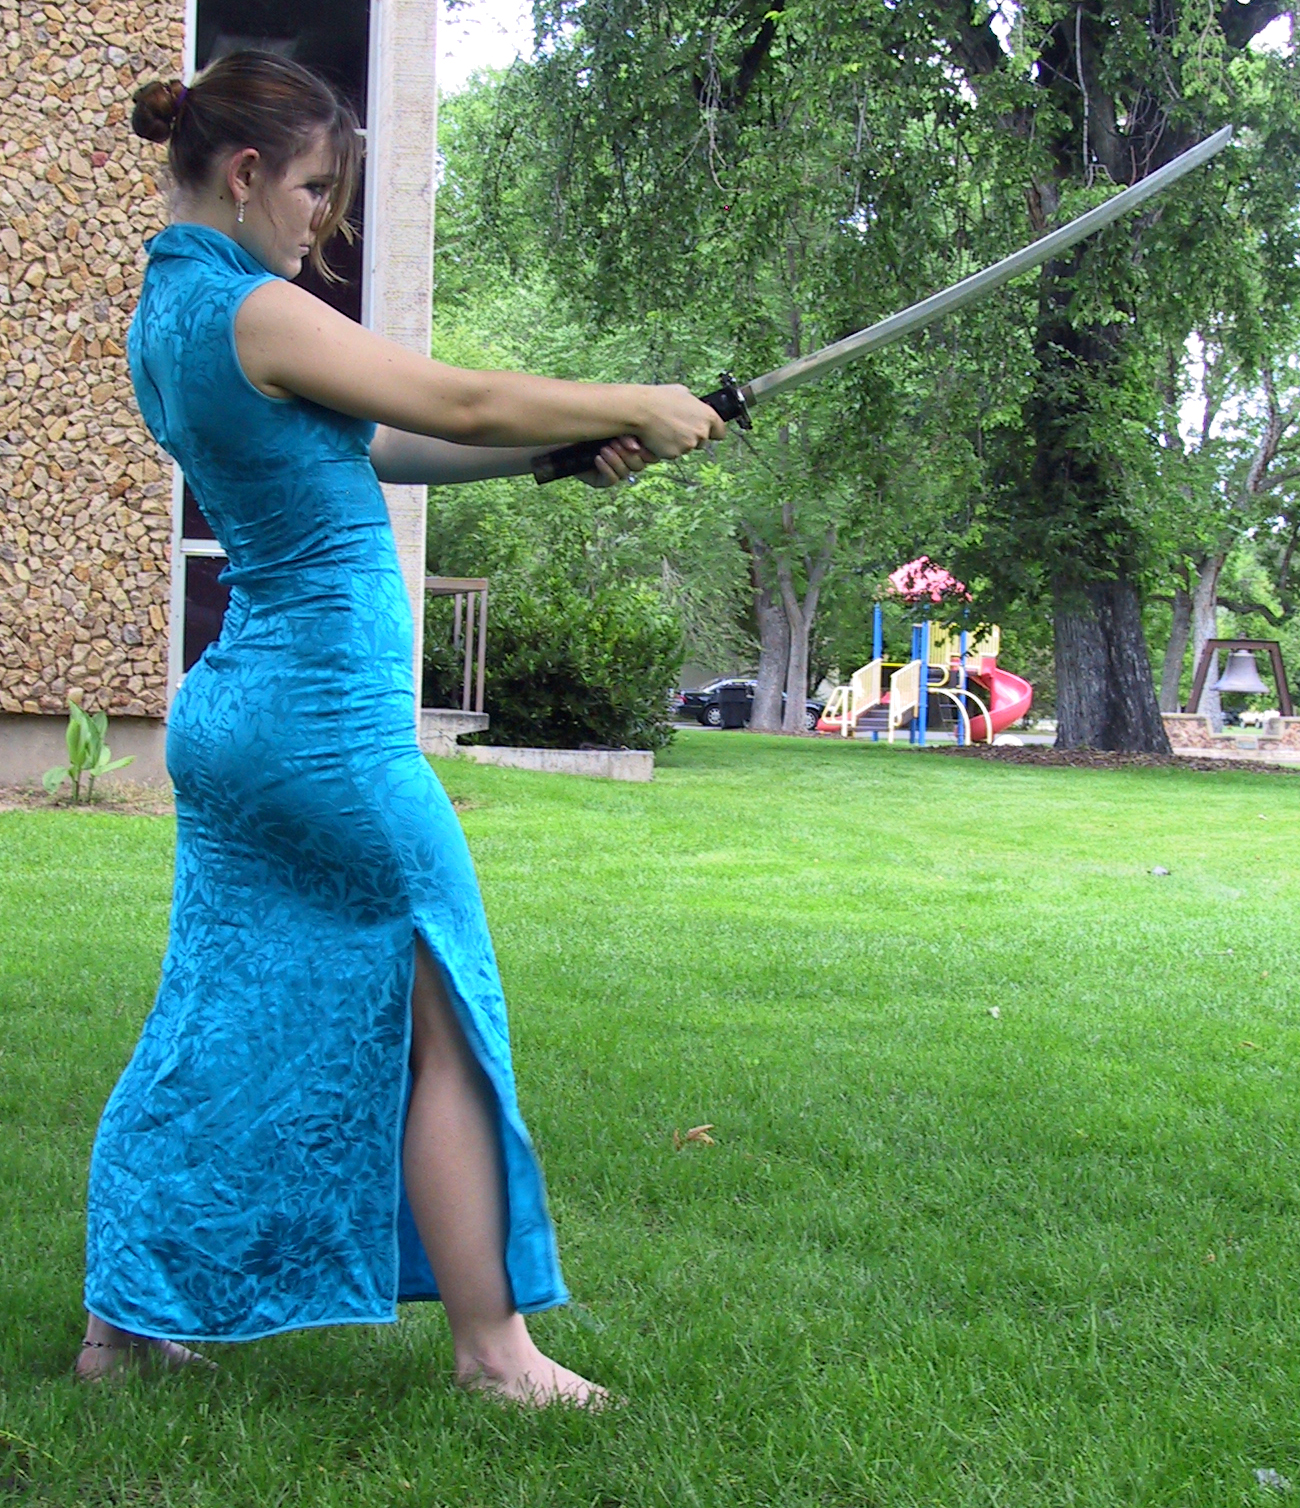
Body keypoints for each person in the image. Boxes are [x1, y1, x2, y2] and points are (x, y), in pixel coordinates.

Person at [77, 50, 724, 1405]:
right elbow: (459, 395)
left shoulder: (170, 313)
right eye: (315, 188)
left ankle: (122, 1328)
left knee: (217, 1014)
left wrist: (557, 459)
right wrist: (636, 402)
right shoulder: (256, 308)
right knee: (446, 1015)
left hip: (243, 716)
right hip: (322, 730)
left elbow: (381, 444)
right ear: (245, 173)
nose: (322, 217)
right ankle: (495, 1352)